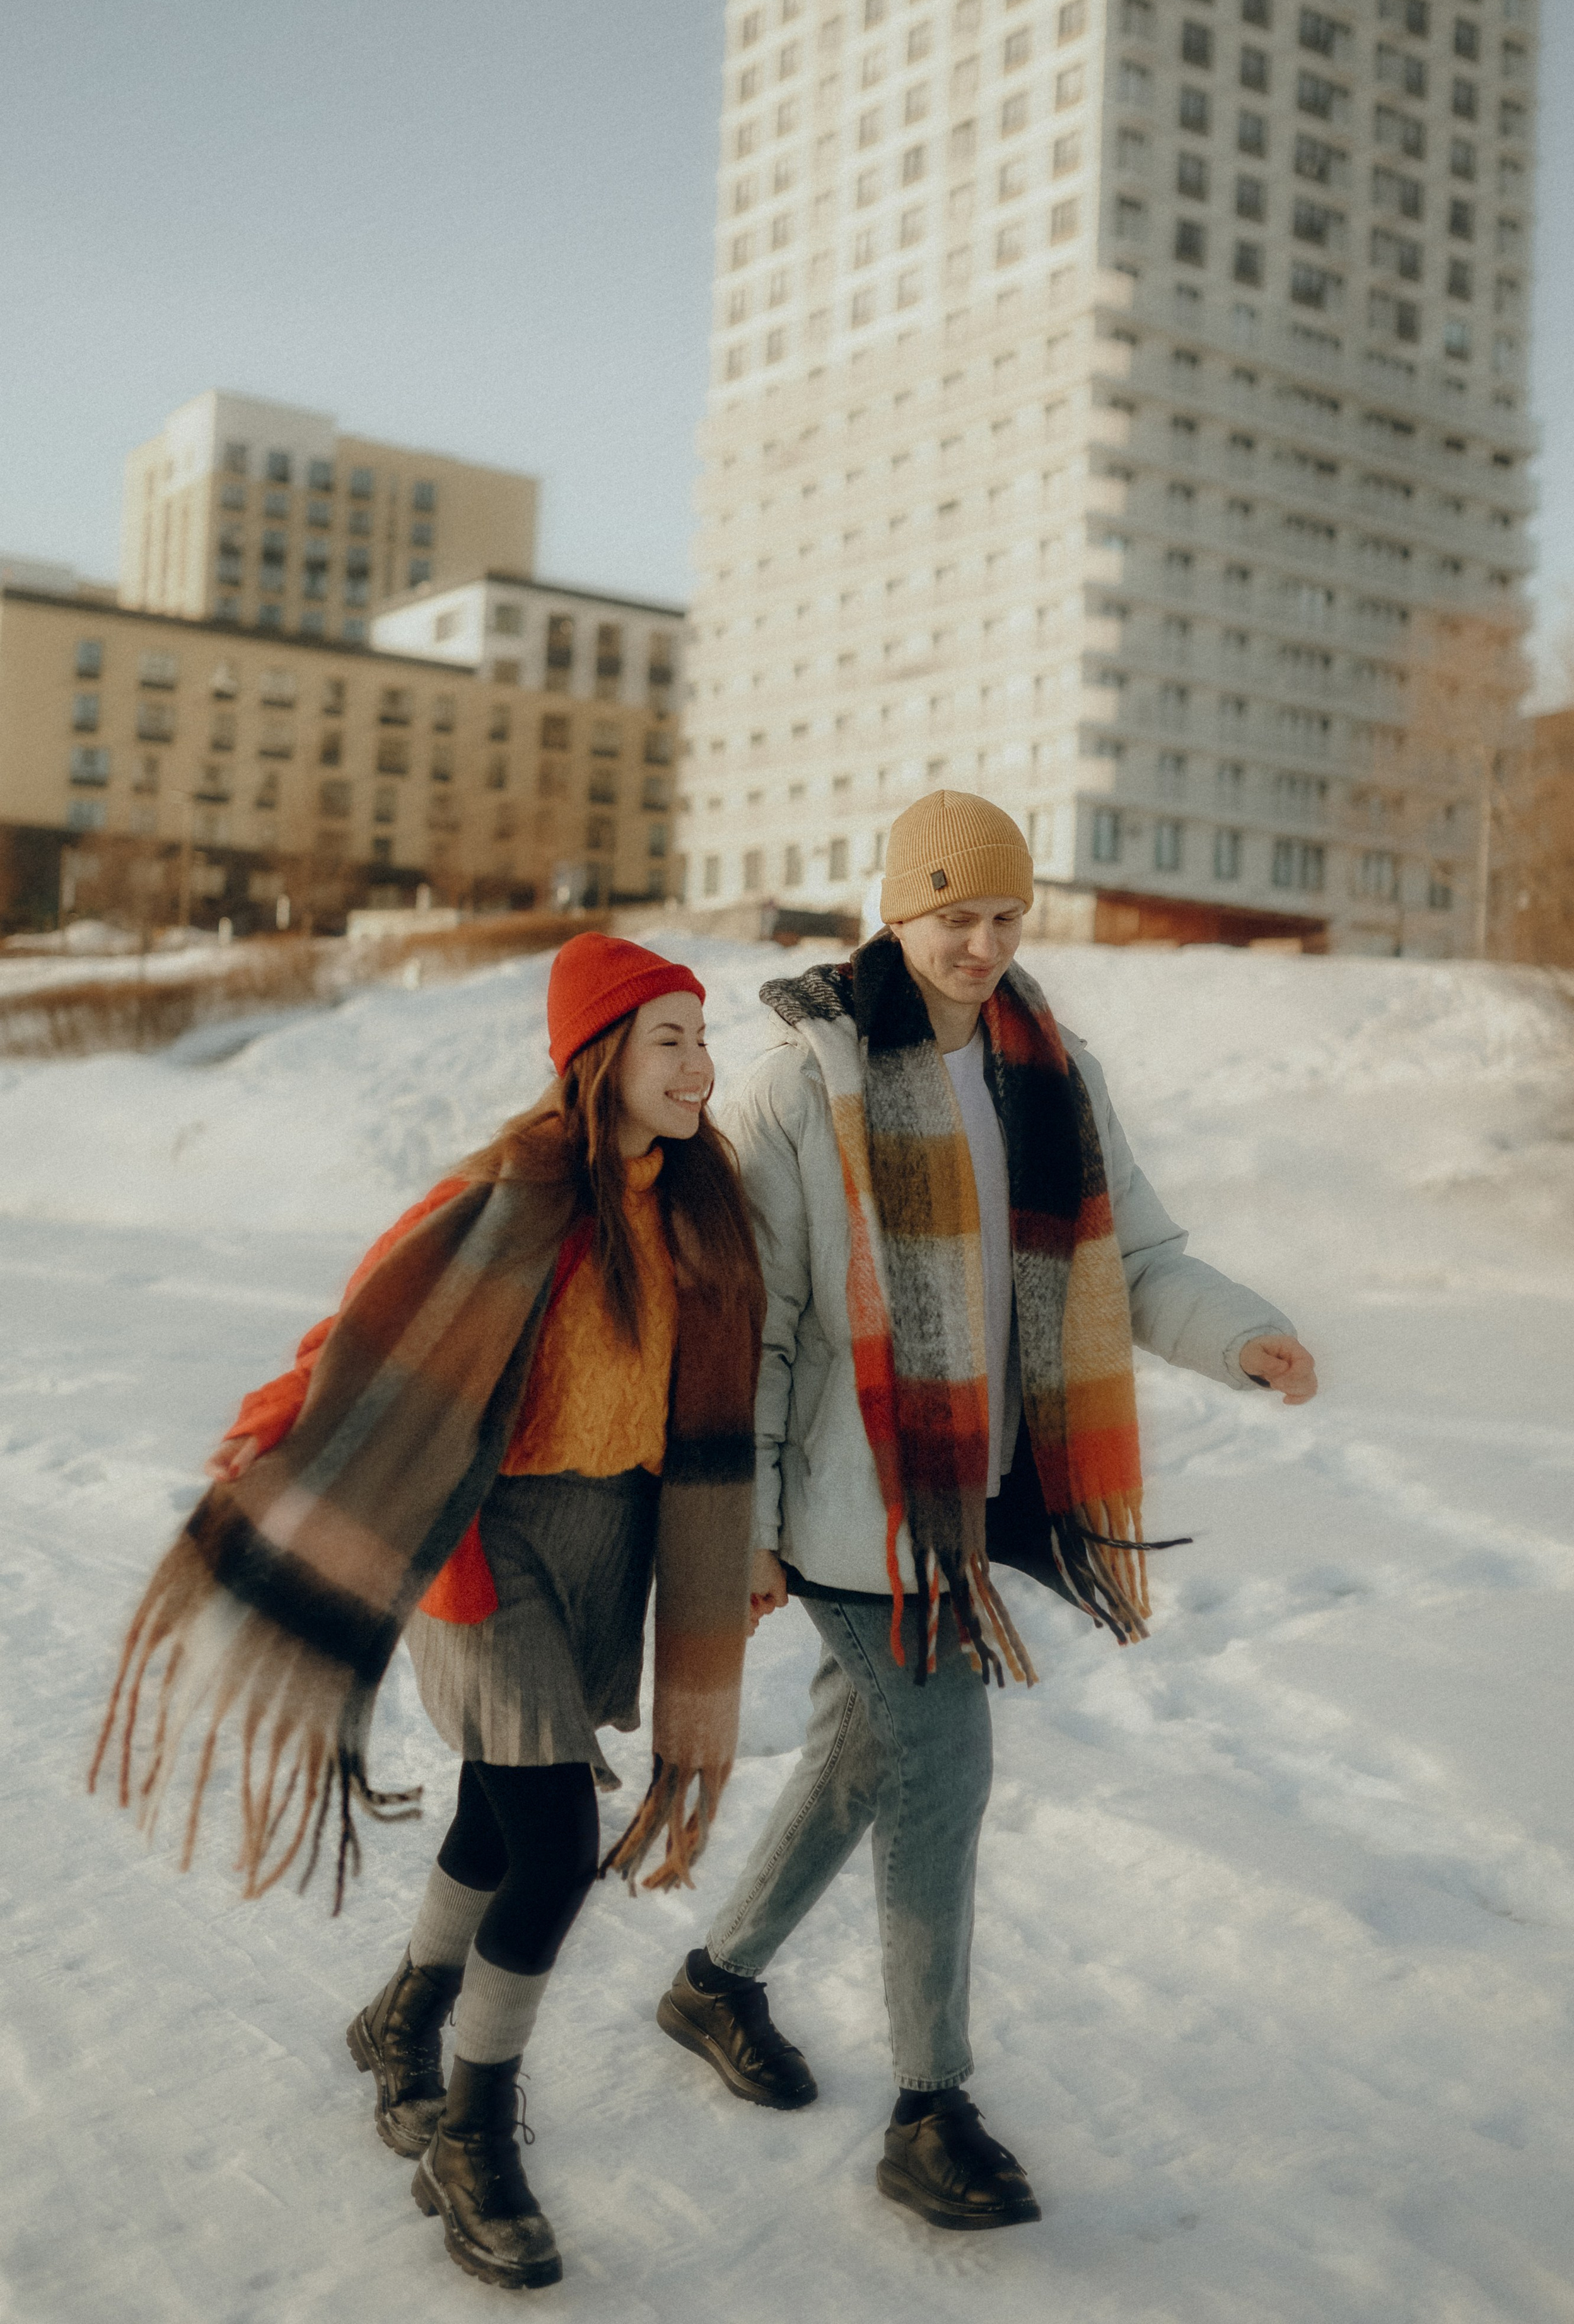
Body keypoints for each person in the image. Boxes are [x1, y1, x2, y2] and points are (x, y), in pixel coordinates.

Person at [656, 793, 1318, 2233]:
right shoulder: (796, 1086)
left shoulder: (1046, 1070)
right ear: (894, 912)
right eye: (954, 913)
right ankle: (927, 2109)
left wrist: (1239, 1333)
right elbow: (750, 1325)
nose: (981, 942)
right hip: (844, 1508)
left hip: (970, 1501)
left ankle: (712, 1987)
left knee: (863, 1756)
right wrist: (749, 1526)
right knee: (939, 1773)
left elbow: (1133, 1253)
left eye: (1005, 916)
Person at [92, 936, 765, 2292]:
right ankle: (475, 2136)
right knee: (559, 1836)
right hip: (485, 1540)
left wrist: (740, 1546)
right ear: (598, 1058)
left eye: (703, 1037)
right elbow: (365, 1328)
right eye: (668, 1039)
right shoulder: (510, 1194)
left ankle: (403, 2011)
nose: (699, 1065)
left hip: (613, 1545)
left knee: (492, 1810)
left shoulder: (700, 1210)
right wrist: (278, 1443)